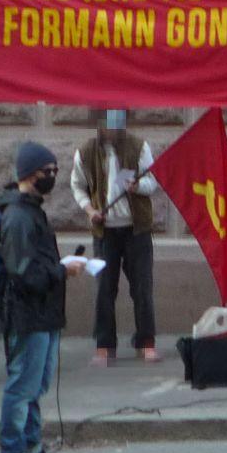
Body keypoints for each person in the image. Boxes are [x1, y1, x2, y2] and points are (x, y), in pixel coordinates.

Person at [0, 142, 83, 453]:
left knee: (36, 385)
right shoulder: (18, 216)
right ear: (31, 174)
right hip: (27, 314)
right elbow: (22, 273)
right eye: (49, 171)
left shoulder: (31, 211)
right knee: (22, 386)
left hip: (43, 313)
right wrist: (63, 271)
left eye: (55, 170)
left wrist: (61, 267)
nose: (53, 176)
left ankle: (31, 448)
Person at [71, 108, 162, 365]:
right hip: (105, 232)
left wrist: (138, 186)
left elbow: (153, 182)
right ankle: (104, 344)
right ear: (99, 123)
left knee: (142, 288)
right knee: (104, 289)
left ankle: (146, 342)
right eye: (108, 122)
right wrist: (90, 211)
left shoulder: (139, 147)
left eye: (117, 121)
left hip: (136, 229)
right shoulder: (86, 151)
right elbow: (77, 186)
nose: (113, 128)